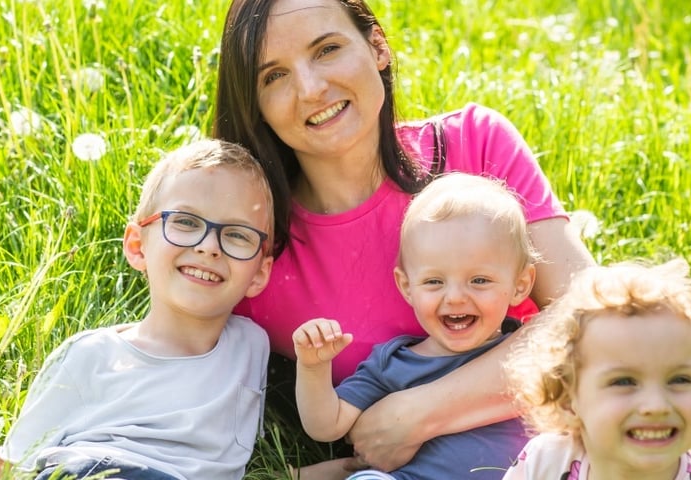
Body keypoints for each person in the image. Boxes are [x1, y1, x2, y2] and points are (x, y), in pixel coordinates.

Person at [214, 0, 595, 475]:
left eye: (327, 49)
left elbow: (594, 320)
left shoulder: (475, 144)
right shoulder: (257, 247)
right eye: (273, 76)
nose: (311, 89)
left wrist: (418, 415)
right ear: (255, 106)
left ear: (377, 47)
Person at [0, 139, 275, 480]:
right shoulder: (90, 354)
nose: (208, 246)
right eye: (185, 222)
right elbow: (13, 466)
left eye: (237, 235)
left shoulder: (250, 346)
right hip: (96, 469)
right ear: (137, 245)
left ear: (260, 273)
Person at [292, 173, 537, 479]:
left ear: (521, 284)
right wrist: (314, 368)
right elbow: (326, 426)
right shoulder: (395, 363)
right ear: (406, 286)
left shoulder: (530, 355)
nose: (456, 298)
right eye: (434, 281)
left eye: (479, 280)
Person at [501, 259, 691, 480]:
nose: (656, 406)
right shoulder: (545, 461)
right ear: (568, 400)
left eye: (680, 379)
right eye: (624, 382)